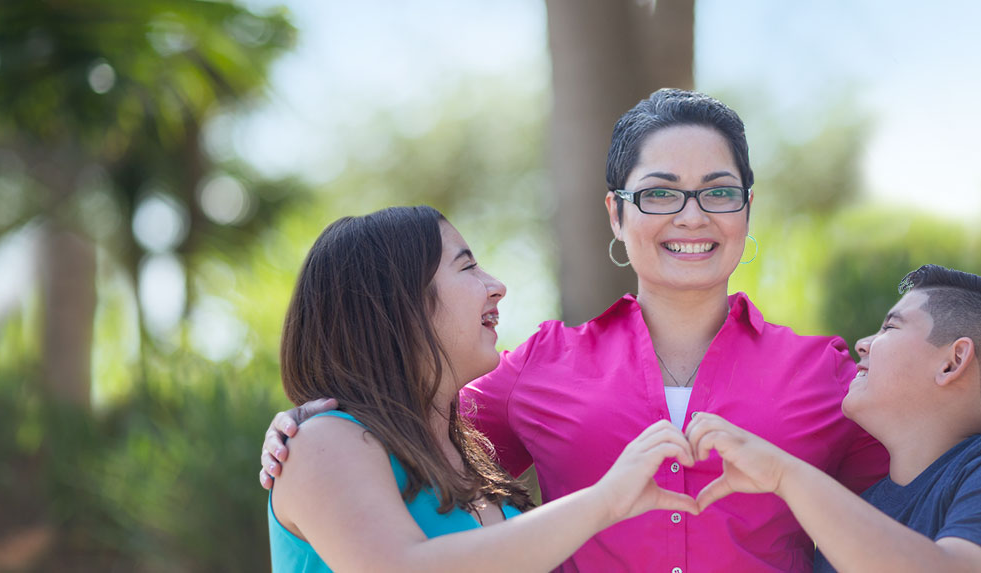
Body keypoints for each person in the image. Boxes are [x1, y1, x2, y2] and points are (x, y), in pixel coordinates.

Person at [261, 89, 981, 572]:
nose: (690, 215)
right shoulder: (530, 370)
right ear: (616, 218)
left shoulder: (829, 376)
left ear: (746, 210)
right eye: (659, 192)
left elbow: (933, 447)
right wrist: (301, 419)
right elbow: (409, 442)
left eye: (717, 190)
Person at [267, 206, 700, 572]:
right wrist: (606, 500)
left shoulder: (462, 456)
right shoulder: (321, 441)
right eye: (468, 266)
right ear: (398, 302)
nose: (497, 286)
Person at [685, 265, 981, 573]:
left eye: (890, 327)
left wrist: (782, 473)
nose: (862, 344)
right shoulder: (856, 512)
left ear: (953, 361)